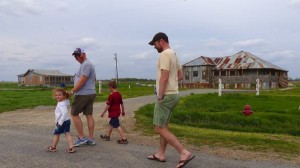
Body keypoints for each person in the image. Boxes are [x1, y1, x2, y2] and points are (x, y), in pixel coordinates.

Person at [147, 32, 195, 168]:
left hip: (166, 95)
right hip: (174, 94)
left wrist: (160, 95)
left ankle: (183, 152)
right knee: (164, 126)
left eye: (155, 44)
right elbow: (180, 76)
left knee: (158, 127)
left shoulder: (164, 54)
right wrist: (170, 85)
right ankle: (161, 154)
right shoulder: (174, 54)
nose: (154, 47)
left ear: (161, 41)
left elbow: (164, 76)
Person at [70, 48, 97, 146]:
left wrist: (72, 91)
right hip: (90, 92)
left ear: (84, 54)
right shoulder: (88, 64)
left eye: (78, 55)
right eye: (75, 56)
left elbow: (82, 81)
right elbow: (94, 78)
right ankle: (91, 138)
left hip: (82, 94)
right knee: (88, 114)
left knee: (74, 114)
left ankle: (81, 138)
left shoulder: (86, 64)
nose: (77, 57)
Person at [46, 88, 76, 153]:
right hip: (67, 121)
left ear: (64, 96)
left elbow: (65, 113)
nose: (57, 96)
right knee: (67, 133)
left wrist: (60, 123)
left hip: (62, 122)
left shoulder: (61, 104)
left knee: (56, 134)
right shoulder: (65, 101)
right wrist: (69, 94)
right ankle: (71, 147)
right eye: (56, 95)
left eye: (59, 95)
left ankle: (53, 147)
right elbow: (67, 99)